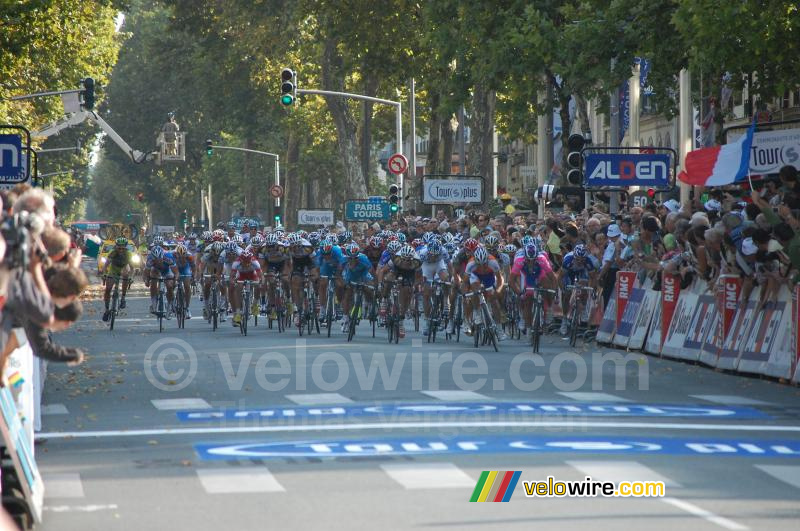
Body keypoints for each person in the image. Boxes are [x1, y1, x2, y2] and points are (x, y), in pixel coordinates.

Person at [101, 237, 133, 321]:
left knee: (126, 275)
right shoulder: (112, 252)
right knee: (108, 289)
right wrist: (104, 274)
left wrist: (131, 277)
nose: (121, 250)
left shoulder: (128, 254)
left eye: (123, 248)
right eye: (119, 248)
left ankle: (123, 298)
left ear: (125, 247)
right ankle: (107, 310)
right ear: (116, 246)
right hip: (113, 270)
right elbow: (106, 265)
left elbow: (132, 268)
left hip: (124, 268)